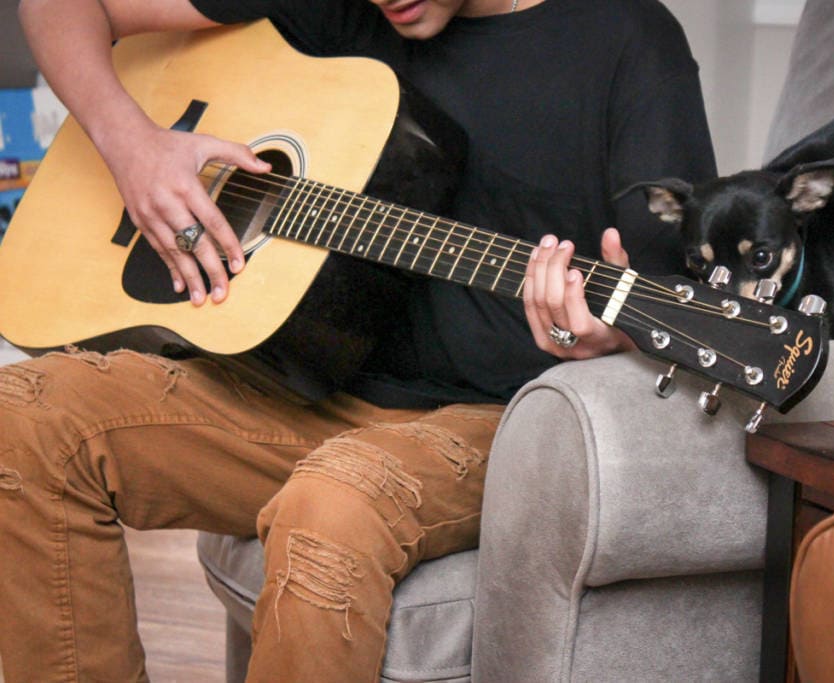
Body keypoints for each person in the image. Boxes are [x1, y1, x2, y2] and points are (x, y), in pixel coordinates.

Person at [1, 0, 716, 680]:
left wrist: (610, 335)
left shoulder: (629, 40)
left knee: (330, 504)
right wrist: (134, 148)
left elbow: (679, 309)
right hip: (302, 386)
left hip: (494, 422)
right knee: (26, 421)